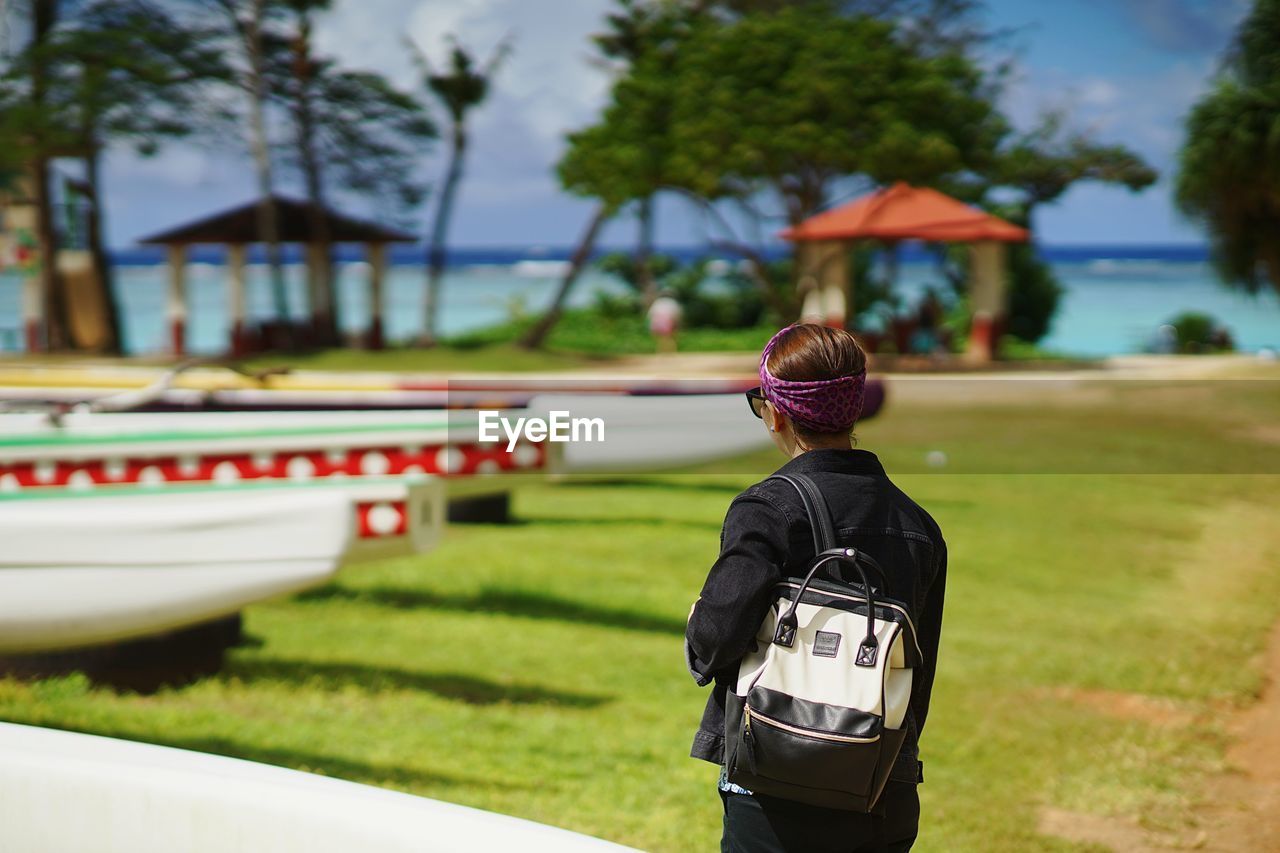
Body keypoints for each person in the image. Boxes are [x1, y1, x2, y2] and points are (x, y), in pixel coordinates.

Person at [685, 324, 947, 853]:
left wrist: (697, 620)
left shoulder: (767, 509)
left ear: (775, 412)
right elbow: (918, 672)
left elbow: (714, 640)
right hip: (884, 782)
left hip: (779, 783)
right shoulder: (919, 525)